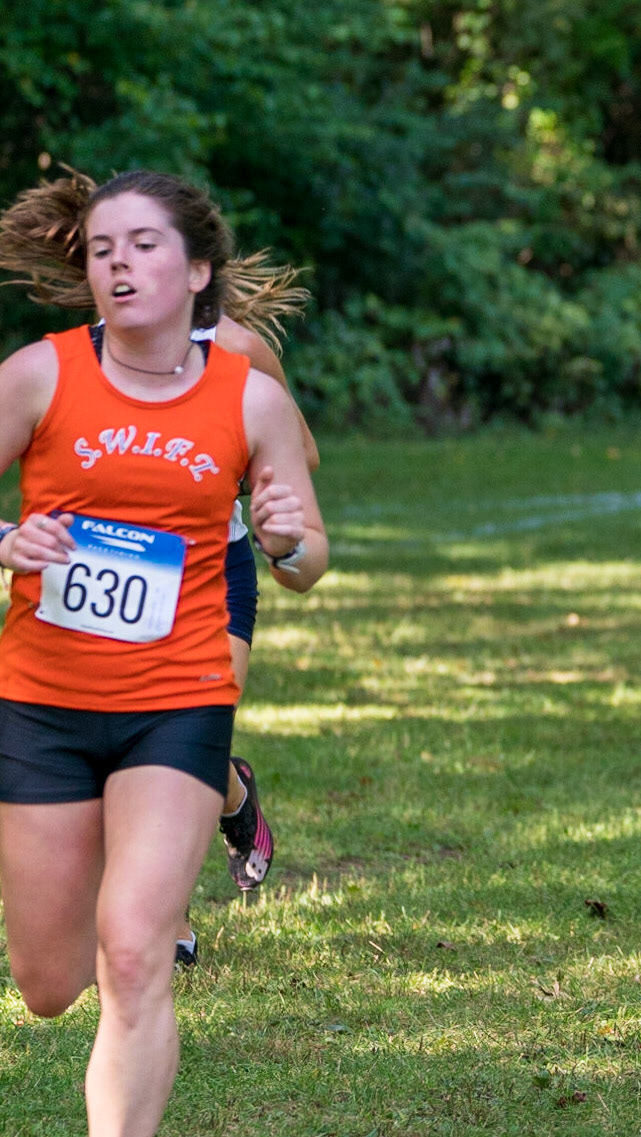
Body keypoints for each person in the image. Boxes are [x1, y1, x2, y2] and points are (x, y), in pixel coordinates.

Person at [0, 169, 327, 1136]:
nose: (119, 265)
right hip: (41, 702)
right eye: (103, 249)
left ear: (196, 271)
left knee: (137, 952)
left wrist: (284, 541)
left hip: (179, 698)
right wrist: (7, 541)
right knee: (48, 984)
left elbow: (309, 555)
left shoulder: (249, 393)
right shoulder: (39, 374)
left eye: (143, 246)